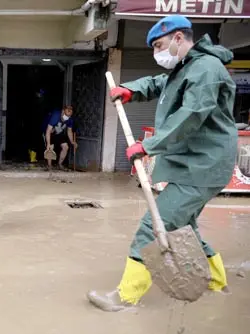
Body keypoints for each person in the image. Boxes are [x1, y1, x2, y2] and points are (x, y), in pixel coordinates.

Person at [87, 15, 238, 312]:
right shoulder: (187, 67)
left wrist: (149, 146)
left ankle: (125, 297)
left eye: (159, 45)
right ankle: (217, 282)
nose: (157, 53)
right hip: (197, 163)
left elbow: (193, 113)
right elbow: (160, 84)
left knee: (153, 227)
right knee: (186, 226)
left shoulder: (206, 68)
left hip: (204, 165)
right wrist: (132, 90)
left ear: (179, 38)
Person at [43, 105, 78, 170]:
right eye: (66, 115)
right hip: (49, 132)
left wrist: (72, 141)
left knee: (66, 147)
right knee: (50, 147)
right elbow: (48, 130)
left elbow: (69, 130)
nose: (67, 117)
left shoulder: (70, 119)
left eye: (69, 116)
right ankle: (49, 166)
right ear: (62, 111)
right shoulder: (56, 116)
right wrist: (48, 143)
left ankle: (60, 164)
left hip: (59, 133)